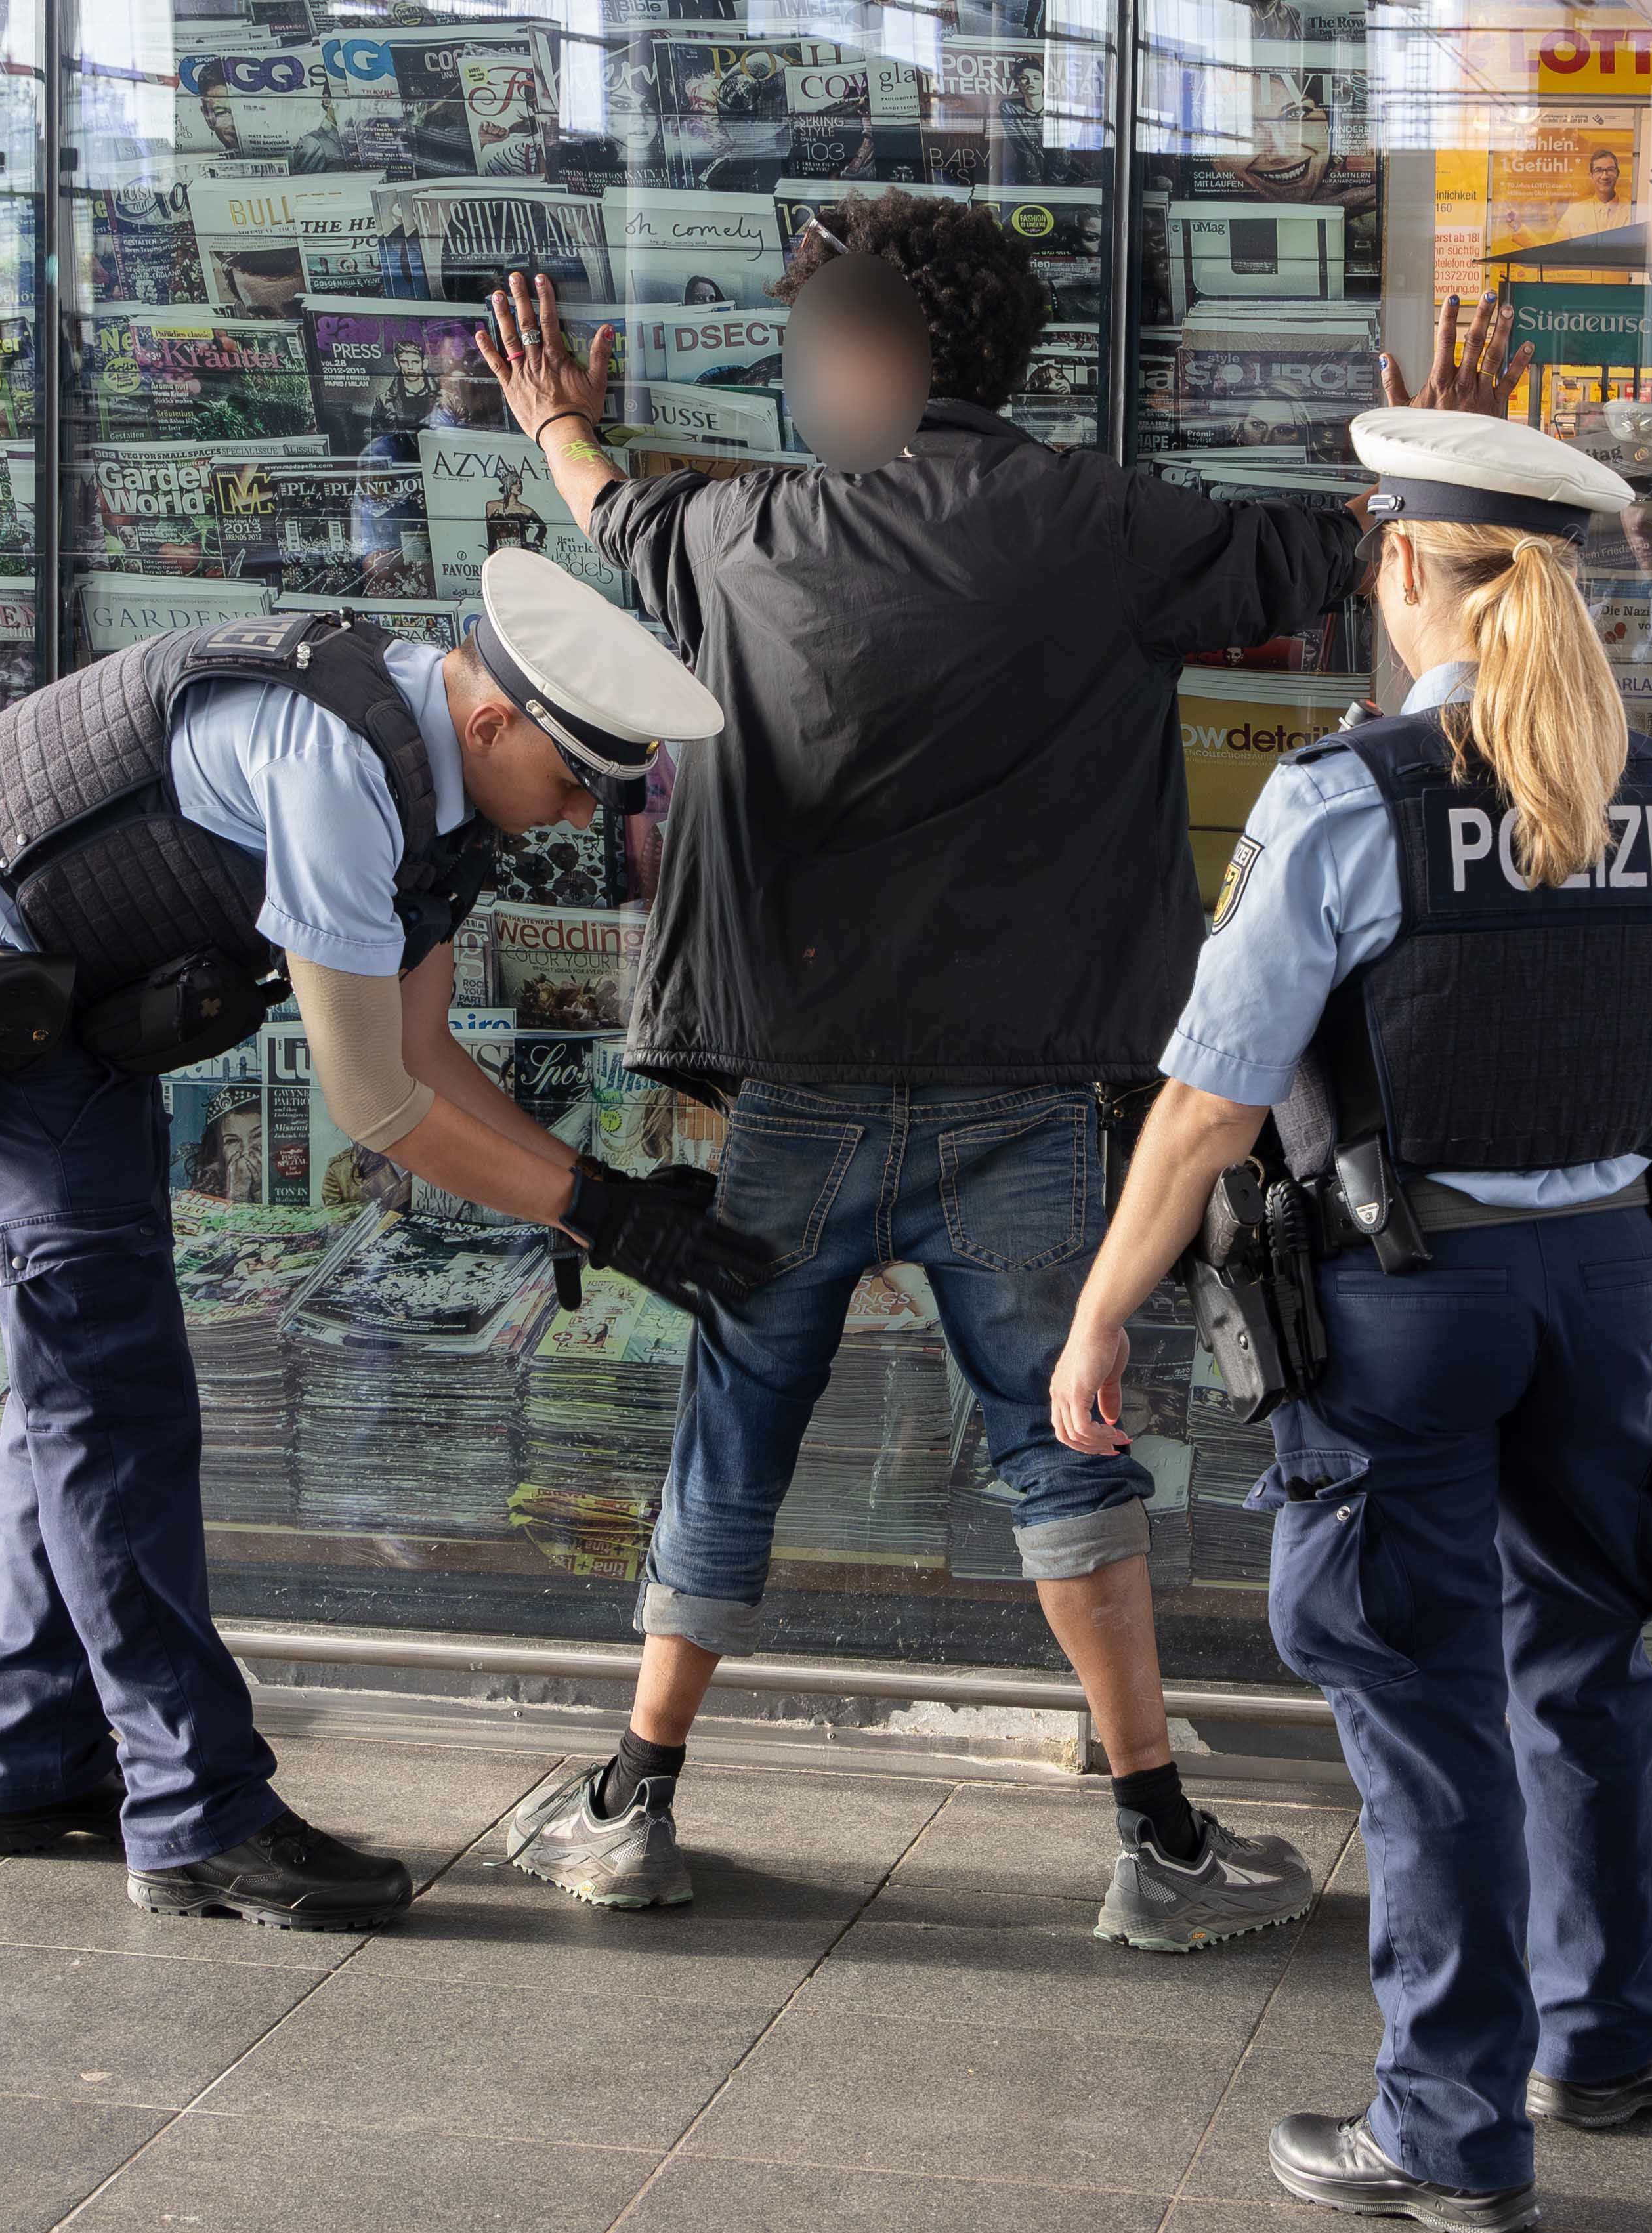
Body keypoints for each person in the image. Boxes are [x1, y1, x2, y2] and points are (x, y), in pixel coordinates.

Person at [469, 188, 1529, 1943]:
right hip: (1027, 1110)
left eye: (813, 346)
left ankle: (633, 1798)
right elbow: (1351, 551)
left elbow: (616, 511)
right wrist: (1459, 451)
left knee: (728, 1441)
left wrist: (553, 417)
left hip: (787, 1101)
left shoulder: (740, 537)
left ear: (882, 358)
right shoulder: (1096, 527)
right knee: (1068, 1455)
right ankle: (1157, 1840)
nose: (798, 378)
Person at [1048, 407, 1652, 2233]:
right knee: (1581, 1660)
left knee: (1419, 1700)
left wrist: (1098, 1311)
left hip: (1400, 1302)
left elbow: (1207, 1103)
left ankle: (1446, 2127)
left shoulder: (1339, 799)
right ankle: (1606, 2033)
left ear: (1395, 569)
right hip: (1601, 1277)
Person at [0, 557, 763, 1932]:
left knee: (74, 1393)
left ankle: (29, 1760)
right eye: (571, 781)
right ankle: (195, 1819)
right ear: (492, 723)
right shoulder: (340, 767)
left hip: (68, 1007)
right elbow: (374, 1104)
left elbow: (423, 1050)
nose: (575, 819)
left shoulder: (433, 788)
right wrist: (595, 1211)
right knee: (110, 1403)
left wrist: (609, 1198)